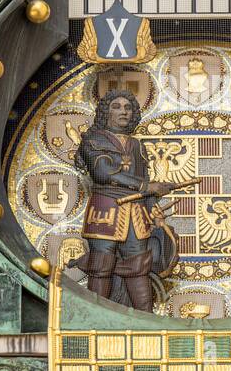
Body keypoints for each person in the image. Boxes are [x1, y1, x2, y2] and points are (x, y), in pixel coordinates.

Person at [73, 90, 179, 312]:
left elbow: (145, 179)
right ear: (105, 112)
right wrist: (146, 187)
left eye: (128, 107)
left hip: (136, 213)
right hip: (106, 210)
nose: (123, 111)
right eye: (117, 106)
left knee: (139, 265)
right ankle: (97, 317)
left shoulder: (136, 145)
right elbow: (103, 173)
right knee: (101, 266)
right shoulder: (94, 140)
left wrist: (154, 210)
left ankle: (145, 319)